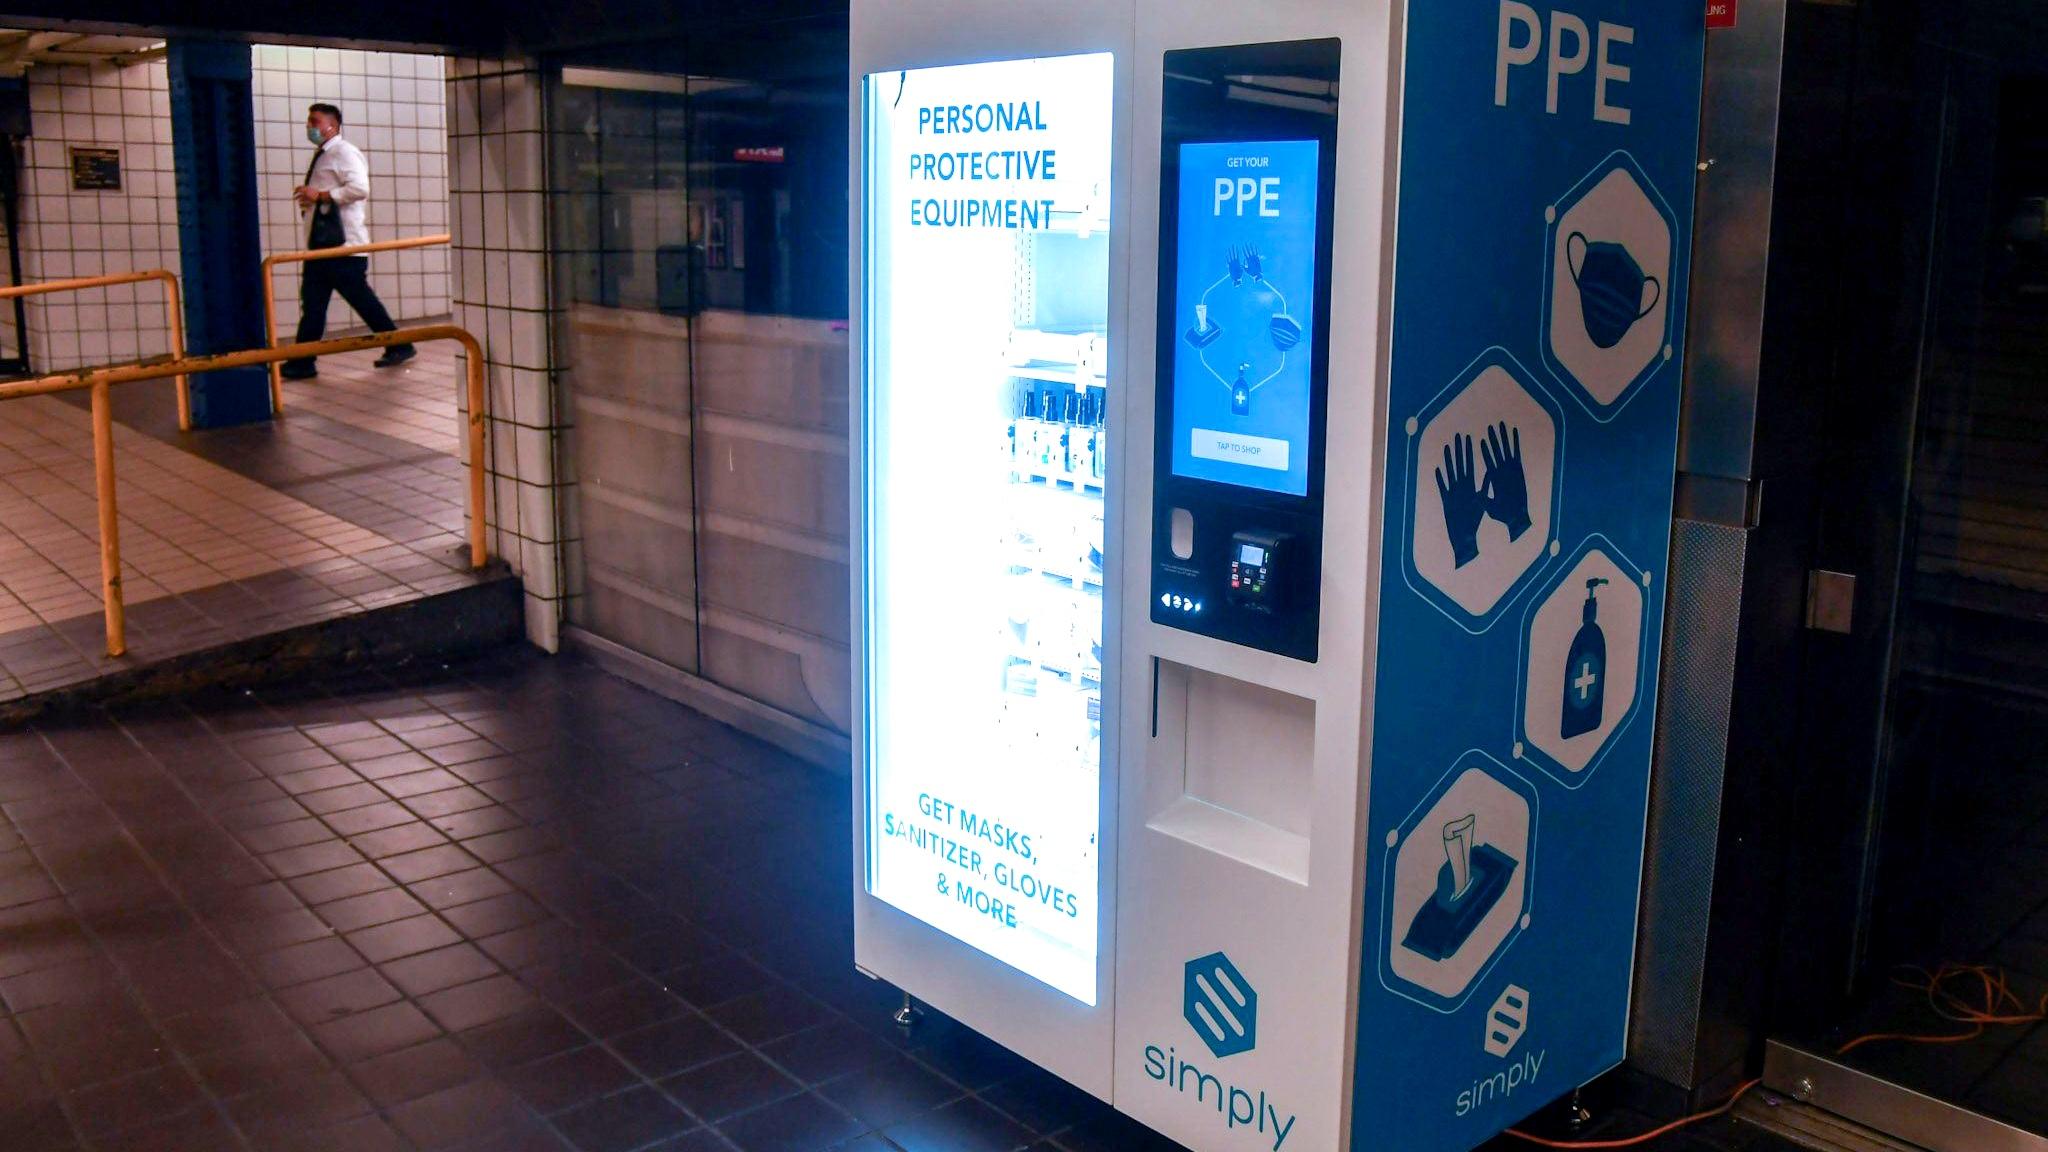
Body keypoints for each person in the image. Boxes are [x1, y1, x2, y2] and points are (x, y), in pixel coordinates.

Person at [281, 102, 413, 379]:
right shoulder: (325, 154)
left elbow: (360, 188)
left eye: (315, 122)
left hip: (344, 248)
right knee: (314, 304)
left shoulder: (343, 152)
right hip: (323, 248)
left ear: (333, 125)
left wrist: (322, 195)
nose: (310, 127)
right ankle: (303, 362)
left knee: (356, 300)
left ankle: (399, 344)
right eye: (309, 122)